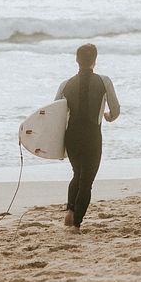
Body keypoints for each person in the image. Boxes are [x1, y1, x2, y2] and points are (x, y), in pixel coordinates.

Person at [54, 43, 120, 230]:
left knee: (77, 174)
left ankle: (70, 210)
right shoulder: (104, 81)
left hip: (72, 136)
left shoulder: (65, 85)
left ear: (77, 60)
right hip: (92, 135)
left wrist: (56, 145)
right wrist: (109, 116)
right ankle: (76, 223)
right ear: (95, 60)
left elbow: (55, 114)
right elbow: (115, 110)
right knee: (87, 180)